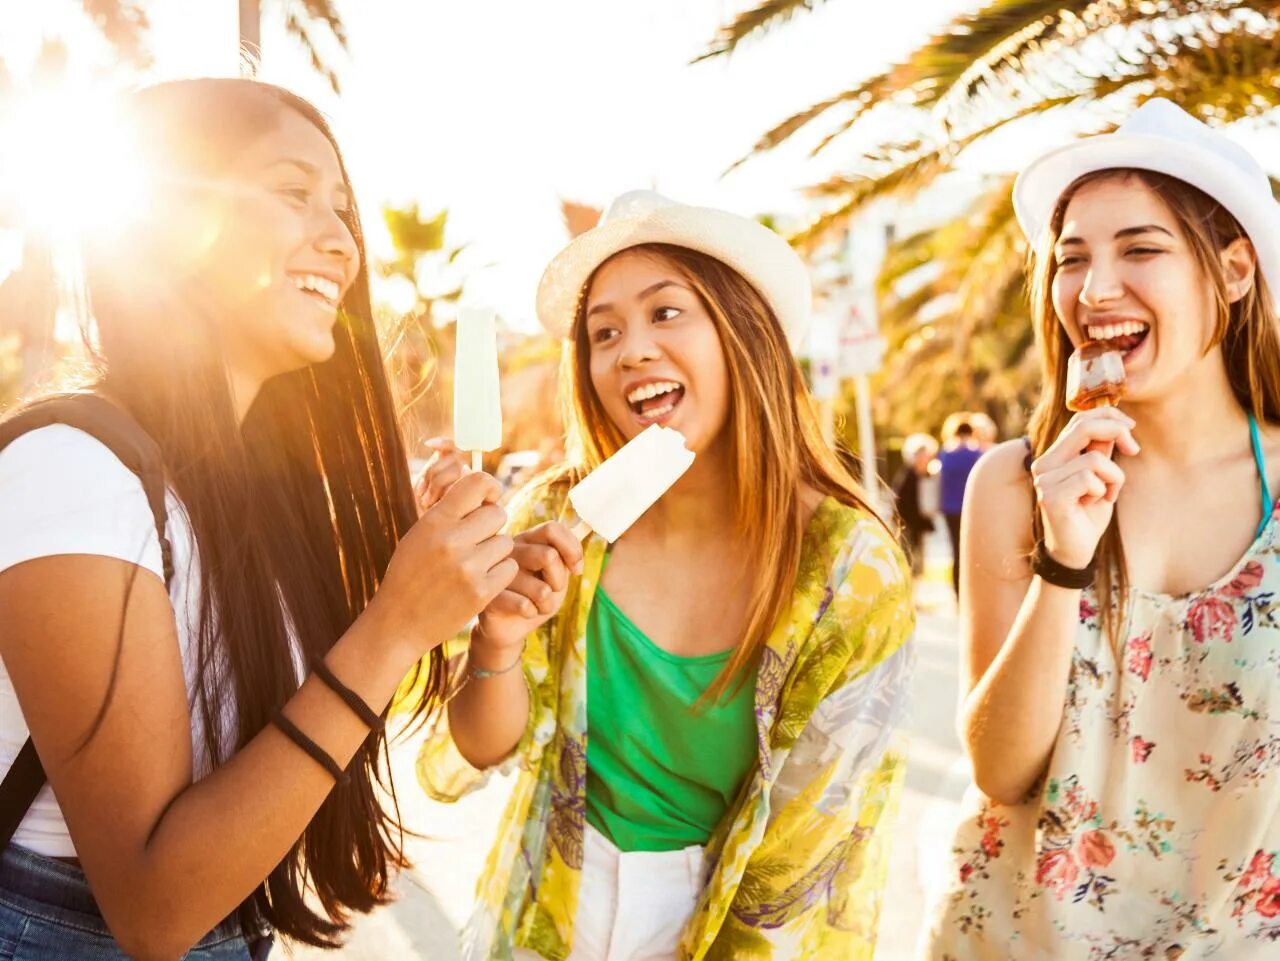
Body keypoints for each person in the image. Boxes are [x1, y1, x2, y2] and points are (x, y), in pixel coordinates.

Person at [0, 79, 516, 960]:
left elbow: (299, 765)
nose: (342, 240)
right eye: (292, 194)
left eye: (344, 210)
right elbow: (155, 910)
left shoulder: (254, 501)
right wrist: (389, 630)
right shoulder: (72, 471)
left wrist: (459, 615)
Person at [415, 191, 915, 961]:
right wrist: (499, 637)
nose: (631, 349)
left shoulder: (850, 568)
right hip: (549, 908)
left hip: (733, 927)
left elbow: (800, 860)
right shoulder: (555, 516)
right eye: (603, 332)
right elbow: (480, 750)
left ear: (742, 333)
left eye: (666, 313)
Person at [922, 98, 1280, 958]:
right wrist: (1063, 555)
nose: (1095, 288)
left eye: (1141, 249)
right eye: (1071, 257)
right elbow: (1000, 771)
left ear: (1233, 270)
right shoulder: (1017, 482)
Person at [937, 416, 983, 596]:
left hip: (950, 509)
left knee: (956, 551)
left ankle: (958, 593)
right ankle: (973, 592)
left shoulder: (945, 455)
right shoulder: (977, 455)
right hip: (972, 509)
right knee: (973, 551)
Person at [893, 432, 939, 577]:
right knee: (908, 560)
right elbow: (900, 501)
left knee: (918, 563)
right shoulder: (908, 477)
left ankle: (915, 592)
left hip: (919, 525)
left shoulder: (928, 475)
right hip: (908, 524)